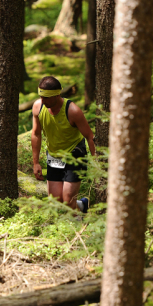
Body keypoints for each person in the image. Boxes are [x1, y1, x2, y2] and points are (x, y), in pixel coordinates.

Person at [31, 76, 96, 212]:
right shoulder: (38, 107)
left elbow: (90, 136)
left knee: (67, 201)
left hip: (74, 154)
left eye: (47, 97)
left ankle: (79, 229)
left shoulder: (73, 111)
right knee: (56, 201)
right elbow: (36, 133)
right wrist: (36, 162)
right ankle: (82, 205)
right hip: (54, 156)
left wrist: (97, 162)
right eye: (41, 97)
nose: (43, 101)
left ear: (57, 95)